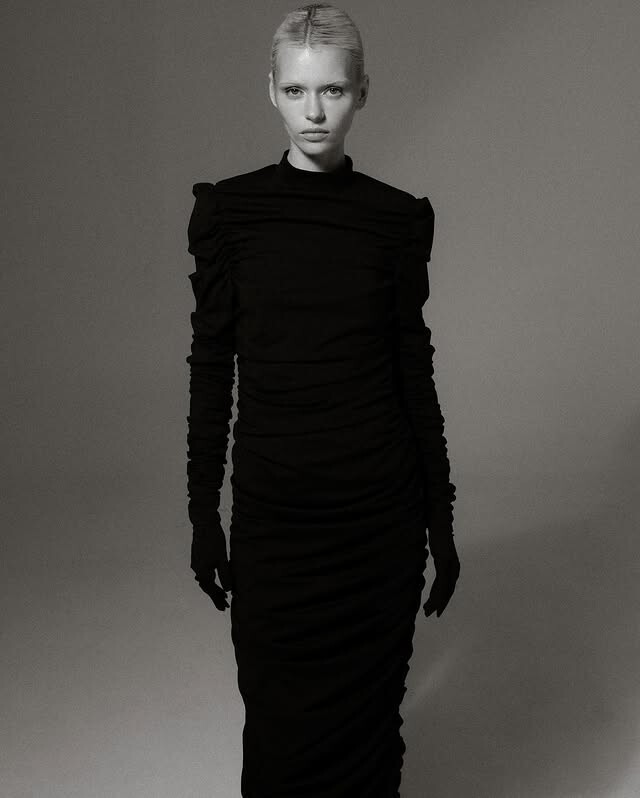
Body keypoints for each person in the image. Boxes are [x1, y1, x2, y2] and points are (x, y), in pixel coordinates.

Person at [185, 3, 460, 796]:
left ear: (362, 94)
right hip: (277, 521)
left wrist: (440, 518)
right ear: (270, 91)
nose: (314, 112)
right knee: (278, 736)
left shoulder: (394, 221)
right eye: (297, 90)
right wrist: (203, 512)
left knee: (371, 737)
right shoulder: (231, 215)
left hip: (378, 522)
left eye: (333, 90)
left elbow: (414, 373)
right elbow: (212, 368)